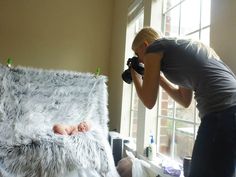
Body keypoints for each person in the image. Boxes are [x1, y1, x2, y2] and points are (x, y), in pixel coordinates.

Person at [129, 27, 236, 177]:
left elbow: (149, 101)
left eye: (137, 54)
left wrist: (134, 74)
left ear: (145, 45)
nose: (139, 60)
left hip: (222, 111)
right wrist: (158, 78)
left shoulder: (154, 48)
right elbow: (184, 100)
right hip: (229, 110)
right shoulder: (177, 52)